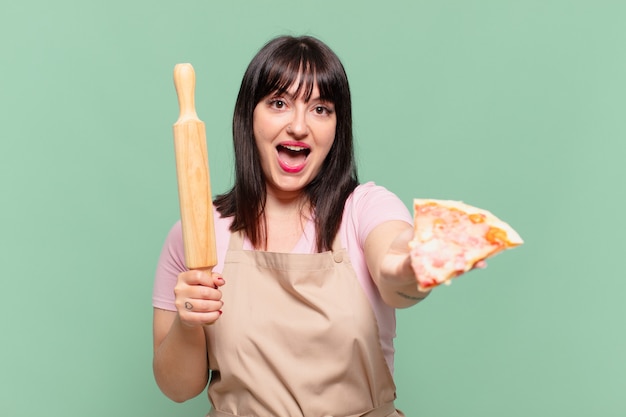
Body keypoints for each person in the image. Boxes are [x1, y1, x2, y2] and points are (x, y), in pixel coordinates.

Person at [152, 35, 432, 417]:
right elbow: (178, 388)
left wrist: (414, 264)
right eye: (279, 103)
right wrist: (188, 322)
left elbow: (396, 267)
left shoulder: (365, 208)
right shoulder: (197, 233)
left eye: (320, 109)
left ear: (338, 127)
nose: (299, 126)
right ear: (249, 116)